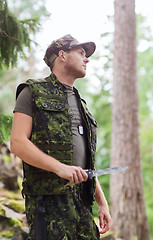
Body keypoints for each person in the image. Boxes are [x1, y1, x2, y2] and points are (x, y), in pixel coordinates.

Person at [11, 34, 112, 240]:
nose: (87, 59)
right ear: (62, 55)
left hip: (83, 204)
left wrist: (101, 202)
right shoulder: (32, 92)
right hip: (48, 203)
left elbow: (86, 162)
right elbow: (18, 143)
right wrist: (60, 168)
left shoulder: (83, 106)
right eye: (81, 52)